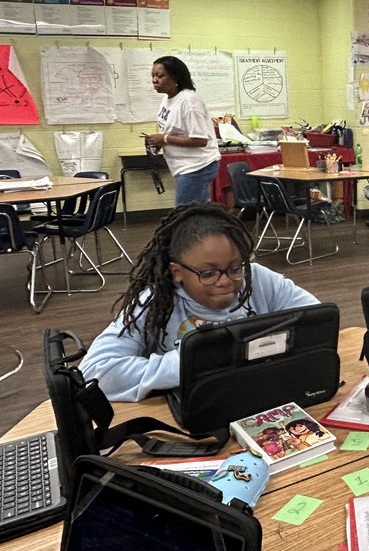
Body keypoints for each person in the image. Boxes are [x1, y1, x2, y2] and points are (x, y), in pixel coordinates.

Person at [80, 204, 320, 401]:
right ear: (177, 272)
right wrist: (193, 362)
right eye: (208, 273)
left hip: (259, 400)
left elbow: (318, 322)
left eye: (235, 268)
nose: (225, 281)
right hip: (193, 416)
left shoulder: (258, 278)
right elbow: (94, 372)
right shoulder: (153, 302)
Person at [145, 56, 221, 206]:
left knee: (185, 214)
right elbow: (173, 131)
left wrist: (164, 139)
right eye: (152, 76)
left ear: (175, 77)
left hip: (198, 166)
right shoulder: (168, 98)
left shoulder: (189, 101)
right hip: (183, 166)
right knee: (195, 212)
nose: (154, 80)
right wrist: (159, 141)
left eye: (160, 76)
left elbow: (200, 140)